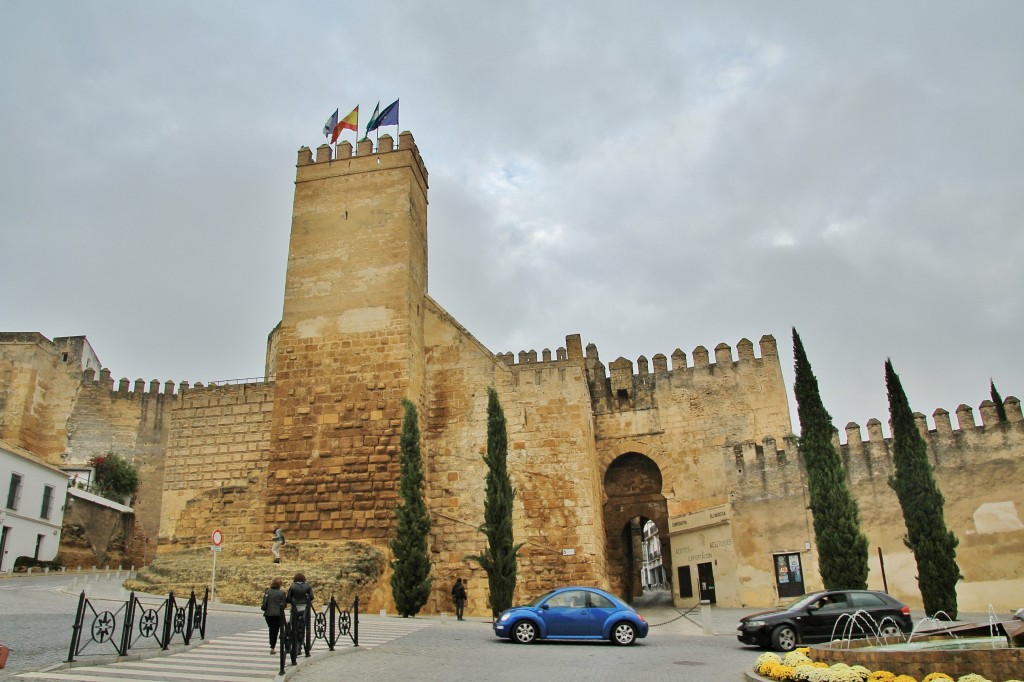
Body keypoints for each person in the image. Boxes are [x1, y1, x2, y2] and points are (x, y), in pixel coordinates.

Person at [286, 572, 314, 660]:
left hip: (295, 609)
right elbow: (311, 597)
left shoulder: (292, 586)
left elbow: (288, 598)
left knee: (294, 628)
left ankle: (292, 646)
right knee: (302, 628)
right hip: (304, 609)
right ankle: (301, 646)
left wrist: (293, 600)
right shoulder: (308, 586)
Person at [261, 578, 287, 654]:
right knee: (275, 630)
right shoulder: (282, 593)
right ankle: (272, 647)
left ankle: (271, 643)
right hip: (278, 614)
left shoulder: (267, 592)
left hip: (268, 614)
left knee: (271, 628)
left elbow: (264, 603)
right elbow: (284, 604)